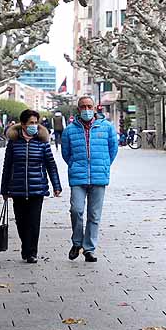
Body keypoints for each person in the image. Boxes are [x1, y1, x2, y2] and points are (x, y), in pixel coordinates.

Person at [61, 95, 118, 263]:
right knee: (76, 210)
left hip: (99, 176)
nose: (86, 109)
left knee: (94, 215)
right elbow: (66, 153)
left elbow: (113, 149)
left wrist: (104, 165)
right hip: (78, 176)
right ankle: (77, 242)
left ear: (94, 108)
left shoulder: (106, 127)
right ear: (78, 109)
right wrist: (73, 164)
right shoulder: (69, 130)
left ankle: (89, 249)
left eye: (89, 106)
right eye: (83, 106)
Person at [0, 109, 62, 263]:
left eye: (36, 123)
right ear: (23, 124)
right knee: (21, 222)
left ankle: (31, 252)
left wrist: (56, 185)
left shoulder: (42, 143)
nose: (34, 126)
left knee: (34, 222)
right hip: (17, 189)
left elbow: (51, 165)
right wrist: (4, 189)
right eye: (30, 123)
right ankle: (25, 247)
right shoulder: (13, 144)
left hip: (37, 189)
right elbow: (7, 167)